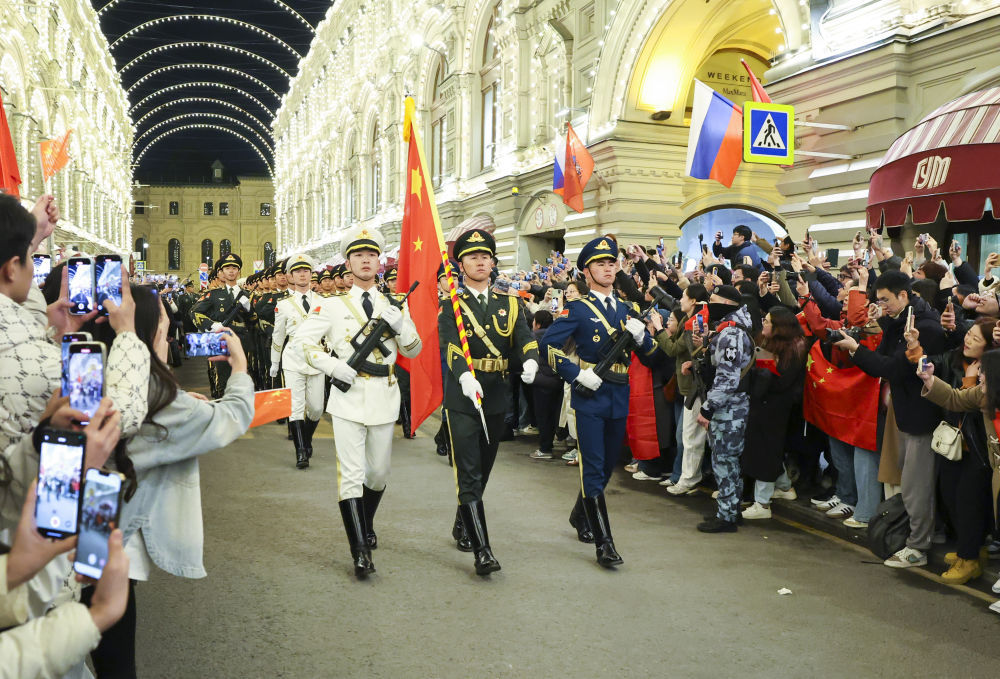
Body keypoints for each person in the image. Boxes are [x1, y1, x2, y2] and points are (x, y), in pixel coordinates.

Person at [291, 226, 421, 579]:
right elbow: (302, 342)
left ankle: (365, 522)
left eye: (372, 255)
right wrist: (332, 366)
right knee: (350, 475)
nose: (365, 260)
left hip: (384, 394)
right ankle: (359, 550)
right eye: (358, 255)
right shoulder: (331, 305)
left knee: (377, 474)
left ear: (380, 263)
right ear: (348, 264)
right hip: (348, 399)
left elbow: (414, 350)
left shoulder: (395, 303)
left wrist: (401, 326)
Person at [540, 235, 655, 567]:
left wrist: (643, 337)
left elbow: (652, 356)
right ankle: (605, 543)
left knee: (605, 467)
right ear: (586, 272)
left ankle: (580, 514)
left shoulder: (629, 310)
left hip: (619, 395)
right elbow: (548, 346)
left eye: (611, 263)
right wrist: (575, 373)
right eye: (600, 264)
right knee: (592, 467)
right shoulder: (578, 309)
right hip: (590, 395)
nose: (607, 269)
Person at [438, 228, 539, 575]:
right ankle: (483, 551)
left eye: (485, 257)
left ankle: (462, 521)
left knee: (483, 467)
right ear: (461, 265)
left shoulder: (510, 304)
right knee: (468, 471)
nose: (480, 262)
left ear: (493, 263)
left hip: (496, 394)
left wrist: (530, 360)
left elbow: (524, 339)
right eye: (473, 257)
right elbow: (450, 345)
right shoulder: (451, 305)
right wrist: (464, 376)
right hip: (463, 396)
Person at [833, 270, 946, 567]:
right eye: (878, 300)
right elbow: (884, 357)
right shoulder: (900, 322)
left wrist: (856, 350)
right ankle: (925, 534)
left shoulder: (924, 327)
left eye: (885, 300)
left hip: (922, 415)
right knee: (909, 481)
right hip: (905, 412)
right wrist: (880, 324)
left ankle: (918, 547)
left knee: (916, 485)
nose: (881, 306)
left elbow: (893, 368)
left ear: (904, 295)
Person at [693, 285, 754, 533]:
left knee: (724, 462)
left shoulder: (731, 334)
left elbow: (728, 379)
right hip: (732, 405)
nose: (709, 304)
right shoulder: (730, 329)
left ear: (727, 304)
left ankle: (727, 516)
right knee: (728, 462)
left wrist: (708, 408)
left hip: (729, 408)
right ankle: (731, 510)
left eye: (714, 300)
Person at [740, 306, 808, 520]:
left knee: (767, 452)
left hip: (778, 407)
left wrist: (765, 367)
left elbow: (782, 382)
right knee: (765, 450)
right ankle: (785, 487)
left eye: (768, 321)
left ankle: (762, 503)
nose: (764, 324)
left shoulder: (795, 348)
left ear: (780, 327)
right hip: (762, 404)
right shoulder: (768, 342)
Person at [270, 254, 323, 469]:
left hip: (317, 357)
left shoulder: (322, 301)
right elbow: (278, 336)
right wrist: (274, 363)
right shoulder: (283, 305)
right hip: (292, 357)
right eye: (297, 271)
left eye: (306, 271)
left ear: (311, 274)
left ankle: (306, 439)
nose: (302, 275)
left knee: (316, 408)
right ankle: (301, 450)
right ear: (291, 276)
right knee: (295, 406)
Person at [190, 253, 253, 397]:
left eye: (234, 268)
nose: (231, 271)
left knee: (242, 377)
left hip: (241, 338)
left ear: (239, 271)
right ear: (222, 272)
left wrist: (249, 309)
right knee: (223, 379)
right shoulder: (213, 294)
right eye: (227, 268)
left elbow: (254, 320)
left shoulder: (247, 294)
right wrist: (212, 325)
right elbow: (194, 312)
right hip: (221, 338)